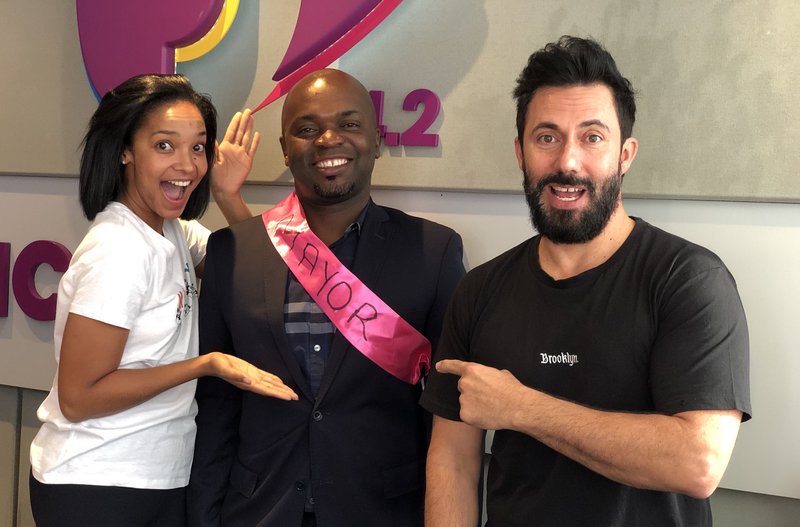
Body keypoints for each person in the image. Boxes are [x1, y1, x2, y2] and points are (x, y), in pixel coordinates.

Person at [420, 36, 751, 526]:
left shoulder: (689, 280)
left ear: (626, 154)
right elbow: (453, 460)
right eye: (547, 137)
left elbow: (697, 462)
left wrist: (522, 408)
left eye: (592, 137)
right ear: (520, 152)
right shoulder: (481, 290)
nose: (567, 162)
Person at [187, 68, 466, 527]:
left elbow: (448, 408)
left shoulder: (432, 252)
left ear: (376, 141)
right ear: (285, 149)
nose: (328, 139)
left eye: (349, 124)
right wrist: (203, 516)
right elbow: (215, 402)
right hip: (257, 510)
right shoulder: (230, 251)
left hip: (384, 511)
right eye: (307, 128)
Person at [29, 73, 297, 527]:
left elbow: (260, 269)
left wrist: (228, 195)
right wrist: (204, 365)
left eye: (198, 148)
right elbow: (78, 397)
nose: (187, 165)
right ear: (126, 150)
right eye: (165, 146)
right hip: (96, 483)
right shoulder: (118, 250)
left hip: (155, 478)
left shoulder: (173, 231)